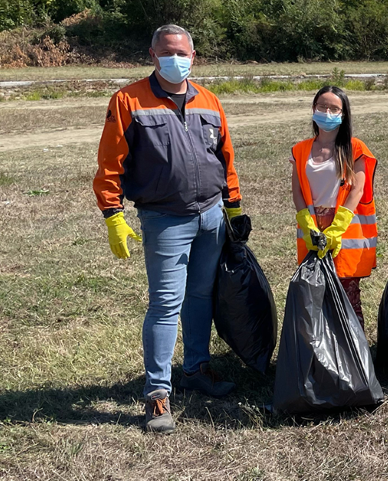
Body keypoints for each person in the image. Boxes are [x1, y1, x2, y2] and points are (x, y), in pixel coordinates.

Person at [93, 25, 243, 433]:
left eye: (181, 52)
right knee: (165, 304)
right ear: (152, 54)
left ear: (194, 57)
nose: (174, 58)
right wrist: (113, 215)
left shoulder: (210, 101)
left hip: (211, 216)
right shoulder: (128, 100)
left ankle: (196, 369)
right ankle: (158, 394)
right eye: (165, 51)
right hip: (165, 219)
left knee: (200, 297)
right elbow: (110, 163)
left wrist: (234, 207)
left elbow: (224, 156)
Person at [291, 86, 378, 326]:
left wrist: (337, 229)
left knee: (347, 296)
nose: (327, 112)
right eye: (322, 107)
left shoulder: (355, 149)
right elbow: (297, 191)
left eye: (334, 108)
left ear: (343, 114)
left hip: (344, 231)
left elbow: (357, 191)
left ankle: (354, 356)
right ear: (313, 109)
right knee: (317, 295)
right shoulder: (300, 150)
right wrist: (308, 225)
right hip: (313, 231)